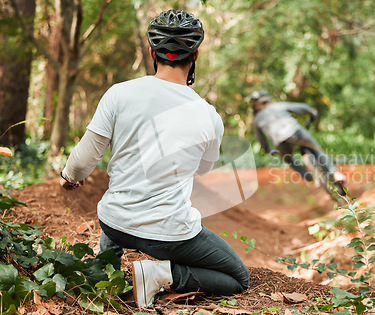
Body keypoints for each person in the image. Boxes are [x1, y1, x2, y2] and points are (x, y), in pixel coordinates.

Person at [59, 9, 249, 308]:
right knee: (239, 278)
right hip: (168, 235)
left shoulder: (119, 94)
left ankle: (106, 268)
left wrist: (69, 178)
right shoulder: (209, 116)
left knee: (114, 214)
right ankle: (160, 273)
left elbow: (84, 159)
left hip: (114, 223)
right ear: (195, 56)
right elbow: (203, 168)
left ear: (152, 53)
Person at [248, 91, 346, 196]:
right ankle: (334, 173)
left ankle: (308, 176)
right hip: (296, 131)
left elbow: (263, 143)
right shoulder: (278, 105)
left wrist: (270, 151)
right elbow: (304, 107)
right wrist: (312, 115)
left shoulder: (256, 121)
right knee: (316, 150)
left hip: (282, 142)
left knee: (288, 159)